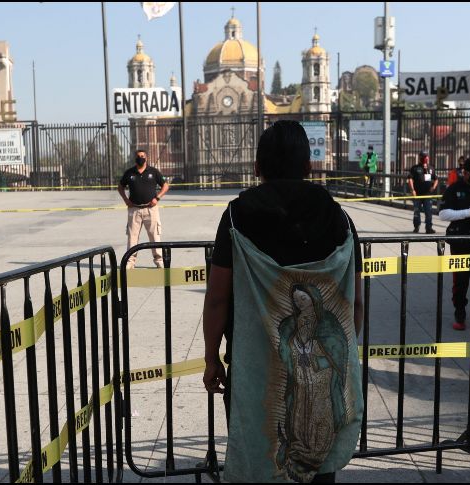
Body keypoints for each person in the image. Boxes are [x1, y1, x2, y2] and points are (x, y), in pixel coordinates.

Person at [202, 120, 364, 483]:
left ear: (257, 168)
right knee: (318, 466)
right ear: (309, 167)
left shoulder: (237, 216)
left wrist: (212, 359)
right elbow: (354, 304)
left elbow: (216, 299)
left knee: (261, 461)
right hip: (323, 375)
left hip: (253, 373)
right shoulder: (340, 219)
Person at [439, 156, 470, 330]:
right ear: (465, 172)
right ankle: (460, 314)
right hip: (461, 240)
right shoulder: (454, 189)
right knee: (461, 279)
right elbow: (443, 214)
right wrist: (469, 212)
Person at [117, 149, 169, 269]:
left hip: (151, 209)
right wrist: (125, 199)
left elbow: (165, 185)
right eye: (138, 156)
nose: (140, 158)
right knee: (132, 237)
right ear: (135, 158)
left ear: (146, 158)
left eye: (142, 156)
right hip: (134, 210)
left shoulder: (153, 172)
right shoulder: (129, 173)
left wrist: (157, 197)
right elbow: (120, 187)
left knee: (155, 236)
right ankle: (130, 262)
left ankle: (159, 261)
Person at [407, 150, 439, 234]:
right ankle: (416, 226)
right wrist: (412, 190)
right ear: (420, 157)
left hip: (427, 194)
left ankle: (429, 228)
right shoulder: (415, 168)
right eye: (423, 156)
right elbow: (410, 179)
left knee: (428, 212)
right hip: (417, 194)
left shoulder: (431, 168)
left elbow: (436, 179)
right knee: (416, 211)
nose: (425, 158)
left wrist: (433, 187)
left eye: (426, 156)